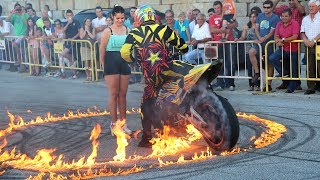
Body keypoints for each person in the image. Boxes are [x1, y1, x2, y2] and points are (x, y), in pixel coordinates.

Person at [120, 5, 188, 147]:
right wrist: (182, 48)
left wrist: (132, 60)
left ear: (140, 17)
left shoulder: (135, 33)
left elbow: (124, 53)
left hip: (152, 77)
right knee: (185, 82)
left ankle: (147, 138)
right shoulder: (163, 29)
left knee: (146, 105)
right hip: (169, 71)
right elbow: (182, 46)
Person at [99, 5, 132, 136]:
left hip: (124, 63)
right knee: (114, 94)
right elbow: (102, 49)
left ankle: (123, 124)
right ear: (113, 17)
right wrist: (103, 65)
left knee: (123, 95)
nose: (120, 20)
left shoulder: (127, 30)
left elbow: (130, 47)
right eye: (118, 18)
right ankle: (114, 125)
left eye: (122, 18)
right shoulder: (108, 31)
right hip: (111, 62)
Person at [250, 0, 280, 91]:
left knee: (269, 64)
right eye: (264, 7)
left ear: (271, 8)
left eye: (268, 7)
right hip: (260, 42)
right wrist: (260, 38)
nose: (266, 9)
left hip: (269, 43)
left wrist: (264, 38)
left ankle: (269, 84)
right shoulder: (260, 16)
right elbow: (256, 28)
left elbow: (272, 32)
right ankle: (257, 73)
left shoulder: (275, 18)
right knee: (251, 52)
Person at [268, 8, 300, 93]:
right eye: (282, 16)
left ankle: (292, 87)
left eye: (286, 16)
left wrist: (282, 40)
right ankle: (284, 72)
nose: (284, 18)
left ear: (290, 16)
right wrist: (277, 41)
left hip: (293, 49)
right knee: (272, 58)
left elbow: (295, 37)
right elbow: (276, 36)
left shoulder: (295, 23)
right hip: (282, 48)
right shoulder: (279, 24)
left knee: (294, 68)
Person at [209, 0, 238, 91]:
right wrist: (223, 30)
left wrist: (227, 27)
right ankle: (220, 84)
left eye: (218, 8)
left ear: (221, 7)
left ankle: (231, 84)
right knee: (219, 63)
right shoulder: (212, 17)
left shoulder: (227, 14)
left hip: (229, 41)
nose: (216, 10)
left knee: (230, 63)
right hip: (218, 42)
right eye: (215, 8)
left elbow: (236, 24)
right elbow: (212, 30)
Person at [234, 11, 259, 91]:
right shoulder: (246, 26)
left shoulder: (258, 25)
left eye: (254, 16)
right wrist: (238, 39)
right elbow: (243, 37)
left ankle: (258, 85)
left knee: (257, 67)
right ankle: (251, 85)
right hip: (248, 49)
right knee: (249, 67)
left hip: (256, 49)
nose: (252, 18)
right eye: (251, 17)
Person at [300, 0, 320, 95]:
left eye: (313, 6)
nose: (311, 8)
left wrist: (315, 40)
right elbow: (302, 32)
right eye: (310, 6)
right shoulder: (305, 19)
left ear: (318, 7)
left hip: (318, 44)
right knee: (310, 66)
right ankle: (311, 87)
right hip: (308, 44)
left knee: (319, 65)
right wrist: (305, 40)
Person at [6, 3, 29, 73]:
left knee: (20, 50)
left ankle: (22, 65)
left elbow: (26, 24)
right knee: (21, 52)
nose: (18, 10)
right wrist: (12, 13)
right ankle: (22, 67)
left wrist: (23, 14)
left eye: (19, 8)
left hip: (23, 36)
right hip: (16, 36)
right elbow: (7, 20)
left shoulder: (25, 15)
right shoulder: (14, 16)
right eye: (17, 8)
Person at [61, 9, 81, 79]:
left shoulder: (77, 22)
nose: (69, 16)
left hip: (75, 42)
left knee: (72, 58)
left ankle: (74, 73)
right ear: (66, 16)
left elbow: (79, 32)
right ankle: (73, 66)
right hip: (68, 43)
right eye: (68, 15)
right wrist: (68, 23)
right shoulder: (66, 23)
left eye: (70, 15)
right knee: (64, 54)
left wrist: (73, 38)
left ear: (72, 15)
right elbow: (62, 31)